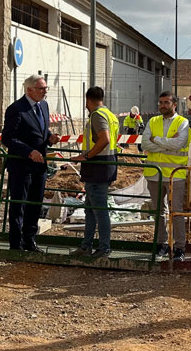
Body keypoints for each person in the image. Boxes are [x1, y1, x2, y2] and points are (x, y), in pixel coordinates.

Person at [0, 74, 60, 252]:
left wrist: (49, 137)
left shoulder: (43, 106)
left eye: (46, 88)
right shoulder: (16, 109)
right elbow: (8, 138)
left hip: (39, 166)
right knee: (19, 205)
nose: (45, 92)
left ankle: (30, 240)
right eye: (41, 89)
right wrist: (28, 151)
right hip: (21, 166)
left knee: (35, 204)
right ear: (29, 90)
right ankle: (16, 244)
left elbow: (40, 129)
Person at [70, 86, 119, 259]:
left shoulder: (97, 116)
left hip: (98, 167)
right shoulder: (111, 115)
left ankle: (104, 248)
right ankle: (86, 246)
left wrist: (87, 156)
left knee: (99, 210)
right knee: (90, 210)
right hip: (103, 166)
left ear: (88, 100)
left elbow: (104, 139)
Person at [142, 91, 191, 262]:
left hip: (174, 174)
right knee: (158, 212)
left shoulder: (182, 122)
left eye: (166, 102)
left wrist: (156, 140)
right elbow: (144, 144)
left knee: (176, 211)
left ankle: (179, 248)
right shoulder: (153, 121)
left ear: (174, 104)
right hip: (154, 174)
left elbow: (178, 143)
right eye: (160, 102)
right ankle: (162, 244)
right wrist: (166, 143)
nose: (163, 105)